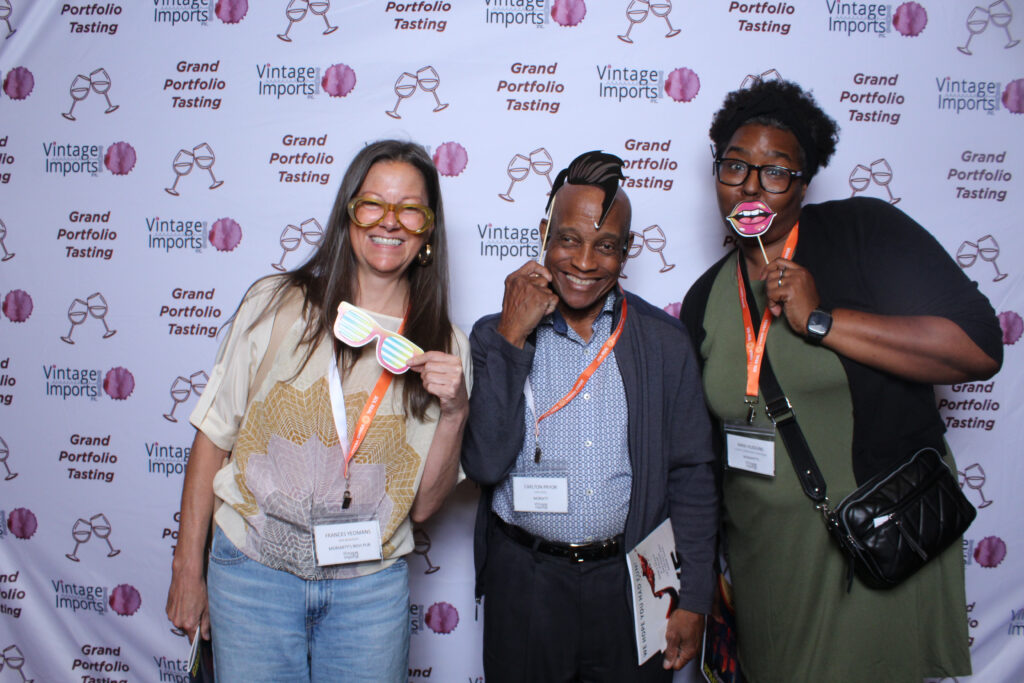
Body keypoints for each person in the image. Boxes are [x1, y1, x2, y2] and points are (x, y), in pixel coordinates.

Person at [680, 79, 1003, 682]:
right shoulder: (705, 297)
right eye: (735, 166)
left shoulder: (863, 234)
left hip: (867, 543)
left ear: (803, 183)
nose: (751, 186)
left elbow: (978, 347)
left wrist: (822, 321)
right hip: (764, 563)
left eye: (776, 172)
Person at [165, 139, 471, 682]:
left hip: (368, 590)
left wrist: (455, 412)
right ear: (348, 216)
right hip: (253, 574)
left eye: (410, 210)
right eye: (372, 204)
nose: (390, 222)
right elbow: (212, 439)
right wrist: (188, 568)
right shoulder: (276, 303)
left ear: (428, 231)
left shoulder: (443, 347)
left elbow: (424, 508)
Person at [463, 150, 718, 682]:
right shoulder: (494, 336)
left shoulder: (663, 342)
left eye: (605, 246)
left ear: (627, 251)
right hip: (525, 581)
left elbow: (692, 475)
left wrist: (694, 598)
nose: (583, 262)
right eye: (569, 239)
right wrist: (512, 336)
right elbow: (485, 463)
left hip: (629, 584)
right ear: (544, 235)